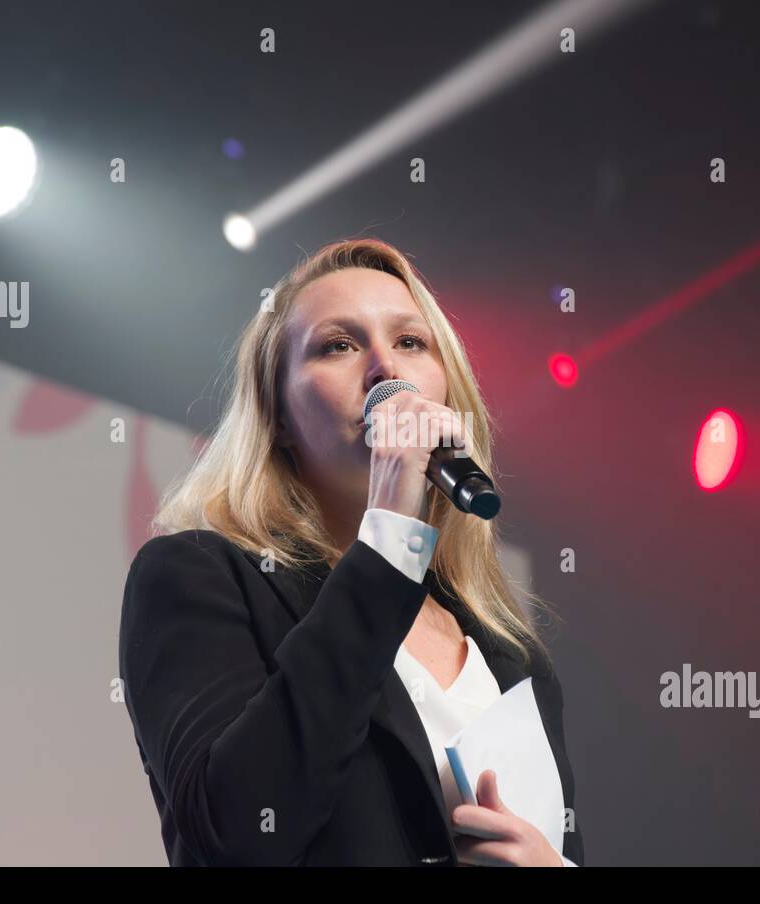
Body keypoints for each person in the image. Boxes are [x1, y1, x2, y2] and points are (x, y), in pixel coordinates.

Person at [118, 237, 584, 866]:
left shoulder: (510, 654)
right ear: (276, 414)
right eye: (338, 345)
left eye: (411, 342)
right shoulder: (199, 578)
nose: (385, 371)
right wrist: (390, 532)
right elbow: (232, 837)